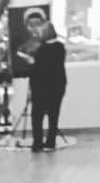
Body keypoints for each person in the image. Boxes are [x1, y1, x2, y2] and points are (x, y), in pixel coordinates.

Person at [26, 22, 67, 152]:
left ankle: (37, 143)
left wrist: (31, 62)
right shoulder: (60, 47)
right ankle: (51, 141)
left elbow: (38, 69)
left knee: (37, 116)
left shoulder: (42, 50)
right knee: (54, 115)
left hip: (41, 87)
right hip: (58, 86)